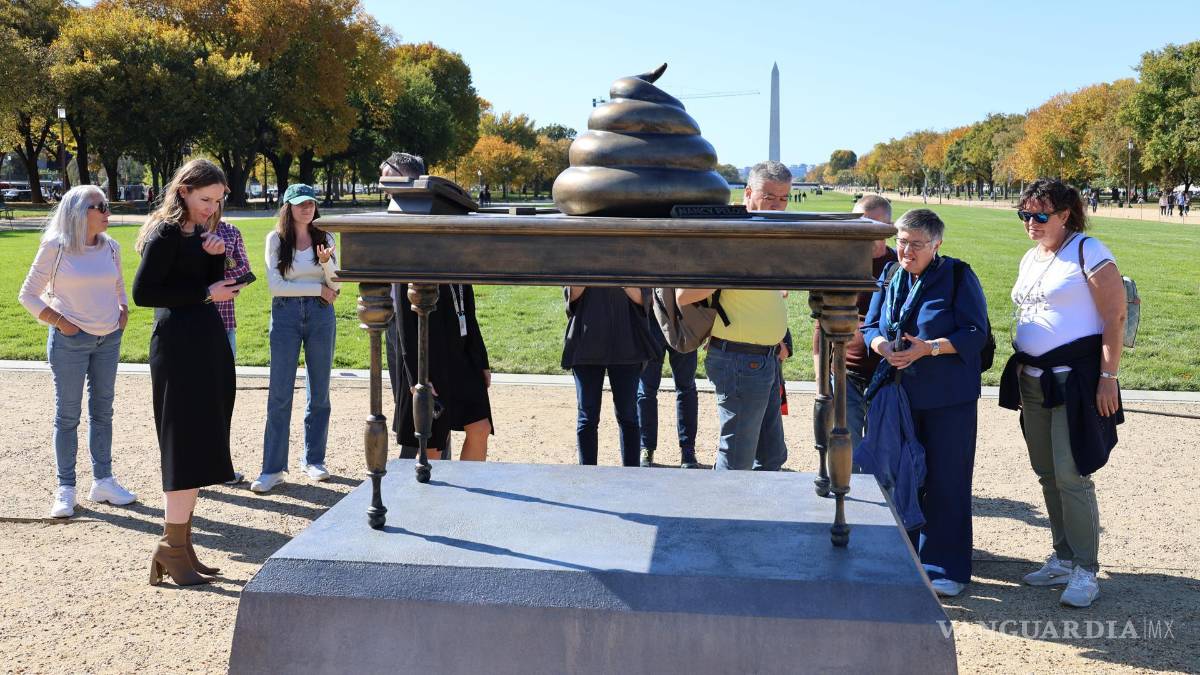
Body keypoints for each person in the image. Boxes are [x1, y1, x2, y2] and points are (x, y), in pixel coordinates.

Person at [999, 178, 1126, 608]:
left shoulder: (1089, 251)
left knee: (1072, 473)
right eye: (1025, 215)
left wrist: (1108, 377)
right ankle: (1064, 555)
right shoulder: (1031, 257)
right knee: (1046, 471)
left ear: (1065, 214)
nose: (1031, 223)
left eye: (1040, 216)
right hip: (1033, 379)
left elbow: (1115, 315)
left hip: (1076, 379)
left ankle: (1086, 569)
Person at [861, 208, 990, 598]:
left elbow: (975, 333)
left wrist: (928, 349)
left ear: (937, 245)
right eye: (901, 242)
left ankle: (946, 567)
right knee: (902, 478)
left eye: (916, 244)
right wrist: (883, 347)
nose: (906, 251)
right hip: (898, 395)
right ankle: (908, 558)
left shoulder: (956, 276)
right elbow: (869, 326)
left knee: (946, 481)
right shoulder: (889, 275)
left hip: (948, 398)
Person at [132, 158, 243, 587]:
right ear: (183, 192)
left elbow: (205, 290)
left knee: (200, 445)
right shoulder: (164, 232)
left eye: (217, 201)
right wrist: (206, 290)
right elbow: (146, 293)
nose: (211, 208)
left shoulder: (202, 232)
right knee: (184, 447)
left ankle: (181, 544)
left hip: (204, 342)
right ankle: (171, 547)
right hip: (179, 348)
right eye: (204, 199)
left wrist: (214, 262)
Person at [19, 185, 137, 518]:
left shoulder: (111, 247)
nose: (106, 211)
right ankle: (66, 489)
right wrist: (59, 321)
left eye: (107, 205)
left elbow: (117, 285)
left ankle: (103, 481)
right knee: (67, 416)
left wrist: (123, 310)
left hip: (108, 339)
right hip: (70, 341)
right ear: (78, 212)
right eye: (99, 207)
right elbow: (27, 295)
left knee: (103, 412)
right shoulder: (55, 247)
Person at [677, 160, 794, 471]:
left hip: (765, 358)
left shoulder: (767, 231)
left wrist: (780, 338)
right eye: (770, 197)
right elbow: (683, 294)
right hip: (741, 360)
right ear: (747, 192)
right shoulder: (727, 233)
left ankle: (755, 518)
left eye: (784, 198)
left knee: (771, 456)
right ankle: (724, 519)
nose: (778, 205)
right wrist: (735, 266)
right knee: (737, 459)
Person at [251, 184, 340, 492]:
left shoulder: (325, 238)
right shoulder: (276, 239)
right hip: (286, 315)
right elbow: (276, 287)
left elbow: (336, 287)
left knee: (319, 392)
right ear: (288, 207)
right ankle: (272, 468)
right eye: (300, 204)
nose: (307, 208)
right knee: (279, 394)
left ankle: (313, 459)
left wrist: (327, 263)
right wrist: (317, 289)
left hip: (320, 316)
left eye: (311, 203)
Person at [811, 195, 897, 454]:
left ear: (889, 228)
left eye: (870, 224)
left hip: (886, 375)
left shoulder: (899, 267)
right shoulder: (838, 265)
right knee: (847, 449)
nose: (861, 231)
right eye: (857, 223)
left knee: (883, 449)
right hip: (845, 373)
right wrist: (820, 378)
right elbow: (821, 325)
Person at [394, 282, 494, 461]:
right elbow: (404, 323)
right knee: (433, 446)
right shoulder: (409, 254)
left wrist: (482, 361)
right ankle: (432, 490)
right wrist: (417, 377)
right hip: (428, 360)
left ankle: (469, 486)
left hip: (464, 356)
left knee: (480, 427)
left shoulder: (458, 255)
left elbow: (469, 310)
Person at [563, 286, 656, 467]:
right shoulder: (579, 257)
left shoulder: (633, 258)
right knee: (587, 417)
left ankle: (631, 474)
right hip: (586, 343)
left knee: (628, 416)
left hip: (627, 344)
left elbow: (644, 300)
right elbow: (571, 297)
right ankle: (588, 474)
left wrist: (620, 277)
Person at [211, 218, 251, 485]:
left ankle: (220, 467)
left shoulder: (230, 231)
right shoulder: (183, 229)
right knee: (191, 400)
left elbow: (245, 271)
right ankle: (190, 468)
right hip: (188, 327)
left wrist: (225, 274)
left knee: (222, 400)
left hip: (225, 324)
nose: (213, 205)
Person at [636, 319, 699, 469]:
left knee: (686, 389)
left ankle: (688, 450)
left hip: (682, 321)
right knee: (646, 391)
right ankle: (646, 448)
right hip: (650, 322)